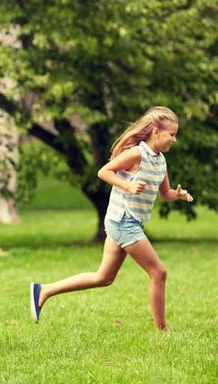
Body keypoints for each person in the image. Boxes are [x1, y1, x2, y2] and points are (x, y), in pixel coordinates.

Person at [30, 106, 194, 331]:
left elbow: (164, 194)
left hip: (128, 221)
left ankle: (44, 290)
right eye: (172, 134)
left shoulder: (160, 160)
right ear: (156, 132)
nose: (174, 139)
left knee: (104, 277)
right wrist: (128, 185)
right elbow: (104, 172)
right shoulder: (137, 153)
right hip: (123, 220)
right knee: (159, 272)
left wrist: (178, 195)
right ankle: (162, 331)